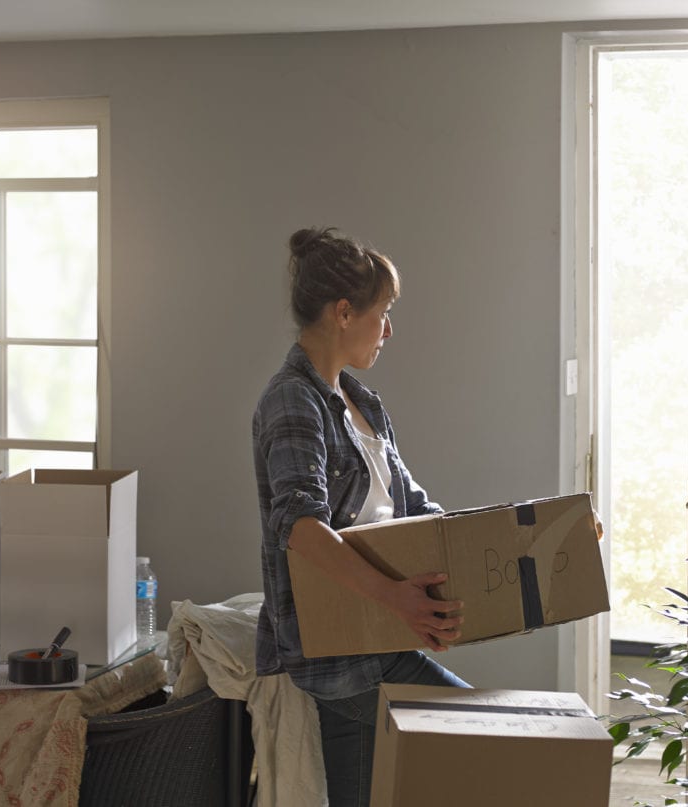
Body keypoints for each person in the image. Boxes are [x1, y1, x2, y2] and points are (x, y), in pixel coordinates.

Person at [253, 226, 469, 806]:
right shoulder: (291, 401)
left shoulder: (363, 402)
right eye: (384, 312)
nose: (390, 329)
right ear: (344, 313)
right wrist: (397, 598)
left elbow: (417, 510)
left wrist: (524, 543)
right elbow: (301, 528)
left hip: (379, 637)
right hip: (339, 652)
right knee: (483, 735)